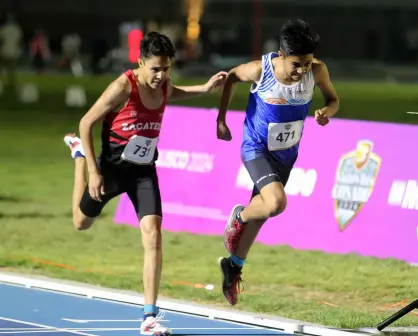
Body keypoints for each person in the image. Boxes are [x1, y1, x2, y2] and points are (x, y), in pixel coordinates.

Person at [63, 31, 226, 335]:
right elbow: (86, 122)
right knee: (80, 222)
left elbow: (174, 91)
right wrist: (94, 172)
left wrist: (204, 88)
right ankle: (79, 159)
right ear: (140, 63)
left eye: (166, 69)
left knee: (153, 235)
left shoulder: (163, 84)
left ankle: (149, 317)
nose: (161, 76)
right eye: (155, 69)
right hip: (111, 170)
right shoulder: (122, 87)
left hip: (143, 172)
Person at [215, 18, 339, 306]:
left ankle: (232, 267)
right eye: (297, 64)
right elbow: (231, 77)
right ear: (281, 56)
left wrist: (326, 112)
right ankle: (238, 218)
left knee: (263, 214)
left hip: (286, 154)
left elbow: (333, 99)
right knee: (275, 203)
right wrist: (221, 119)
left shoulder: (317, 71)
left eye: (307, 63)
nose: (302, 71)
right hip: (256, 148)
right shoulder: (261, 69)